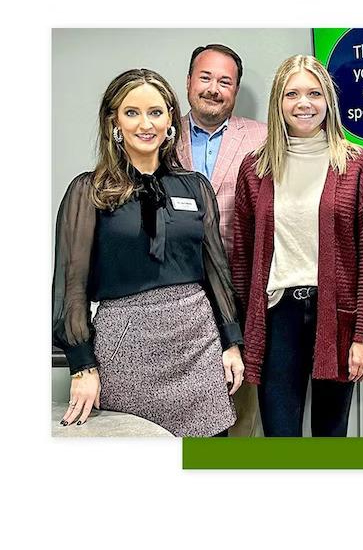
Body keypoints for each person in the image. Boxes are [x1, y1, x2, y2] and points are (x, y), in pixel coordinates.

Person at [52, 69, 243, 436]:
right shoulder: (88, 191)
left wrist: (231, 342)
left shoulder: (195, 186)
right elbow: (70, 287)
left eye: (156, 112)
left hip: (197, 344)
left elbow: (216, 271)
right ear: (114, 121)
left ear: (171, 119)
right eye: (132, 112)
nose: (146, 124)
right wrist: (82, 365)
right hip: (125, 348)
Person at [232, 55, 363, 437]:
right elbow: (241, 259)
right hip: (276, 318)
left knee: (330, 439)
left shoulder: (356, 164)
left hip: (337, 315)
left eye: (314, 93)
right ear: (278, 103)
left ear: (328, 101)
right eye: (292, 94)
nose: (304, 103)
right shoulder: (255, 168)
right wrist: (236, 337)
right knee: (280, 437)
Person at [178, 43, 267, 437]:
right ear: (188, 82)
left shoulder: (263, 138)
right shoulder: (158, 132)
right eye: (206, 78)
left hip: (242, 292)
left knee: (239, 407)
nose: (214, 88)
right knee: (180, 407)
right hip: (173, 295)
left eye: (225, 81)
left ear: (235, 89)